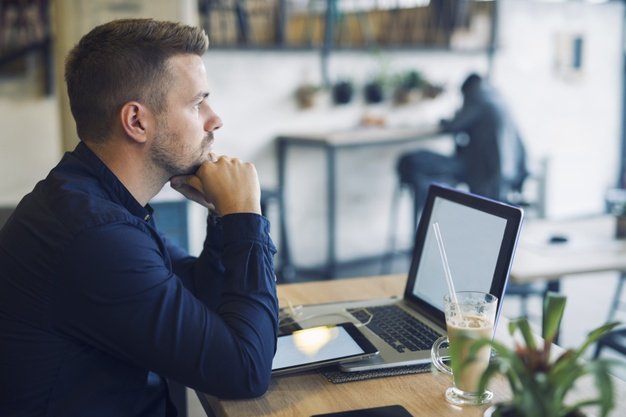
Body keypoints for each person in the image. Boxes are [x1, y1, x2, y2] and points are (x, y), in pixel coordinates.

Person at [0, 19, 278, 416]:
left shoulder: (91, 200)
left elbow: (198, 298)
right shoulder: (94, 236)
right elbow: (245, 373)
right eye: (197, 103)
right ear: (136, 121)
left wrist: (222, 218)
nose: (214, 119)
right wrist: (244, 216)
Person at [396, 73, 527, 221]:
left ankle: (428, 218)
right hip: (504, 168)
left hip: (481, 169)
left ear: (467, 90)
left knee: (411, 162)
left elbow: (454, 126)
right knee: (419, 167)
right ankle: (431, 214)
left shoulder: (478, 99)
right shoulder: (498, 98)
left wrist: (445, 120)